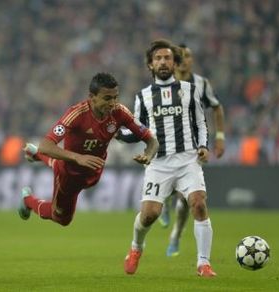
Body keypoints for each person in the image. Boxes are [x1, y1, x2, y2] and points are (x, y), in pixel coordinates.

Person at [121, 39, 216, 277]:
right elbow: (136, 129)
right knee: (149, 214)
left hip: (187, 160)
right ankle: (136, 248)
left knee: (198, 203)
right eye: (158, 59)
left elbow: (200, 122)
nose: (163, 62)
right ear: (150, 65)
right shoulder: (143, 96)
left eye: (167, 58)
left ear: (175, 63)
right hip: (159, 163)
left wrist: (204, 145)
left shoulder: (189, 90)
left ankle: (203, 263)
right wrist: (116, 133)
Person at [18, 72, 159, 227]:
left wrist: (148, 155)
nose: (113, 103)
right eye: (107, 98)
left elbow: (151, 140)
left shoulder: (120, 112)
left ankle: (35, 154)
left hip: (93, 171)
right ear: (92, 97)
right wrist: (78, 157)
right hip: (69, 175)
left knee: (55, 163)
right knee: (61, 218)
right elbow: (46, 145)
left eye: (115, 97)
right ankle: (27, 200)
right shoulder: (76, 114)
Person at [157, 43, 226, 257]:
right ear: (175, 60)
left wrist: (219, 137)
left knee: (186, 198)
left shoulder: (201, 84)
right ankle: (164, 202)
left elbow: (217, 108)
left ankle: (176, 234)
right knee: (173, 189)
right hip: (166, 143)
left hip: (193, 145)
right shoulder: (164, 83)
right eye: (182, 56)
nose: (185, 60)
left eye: (188, 56)